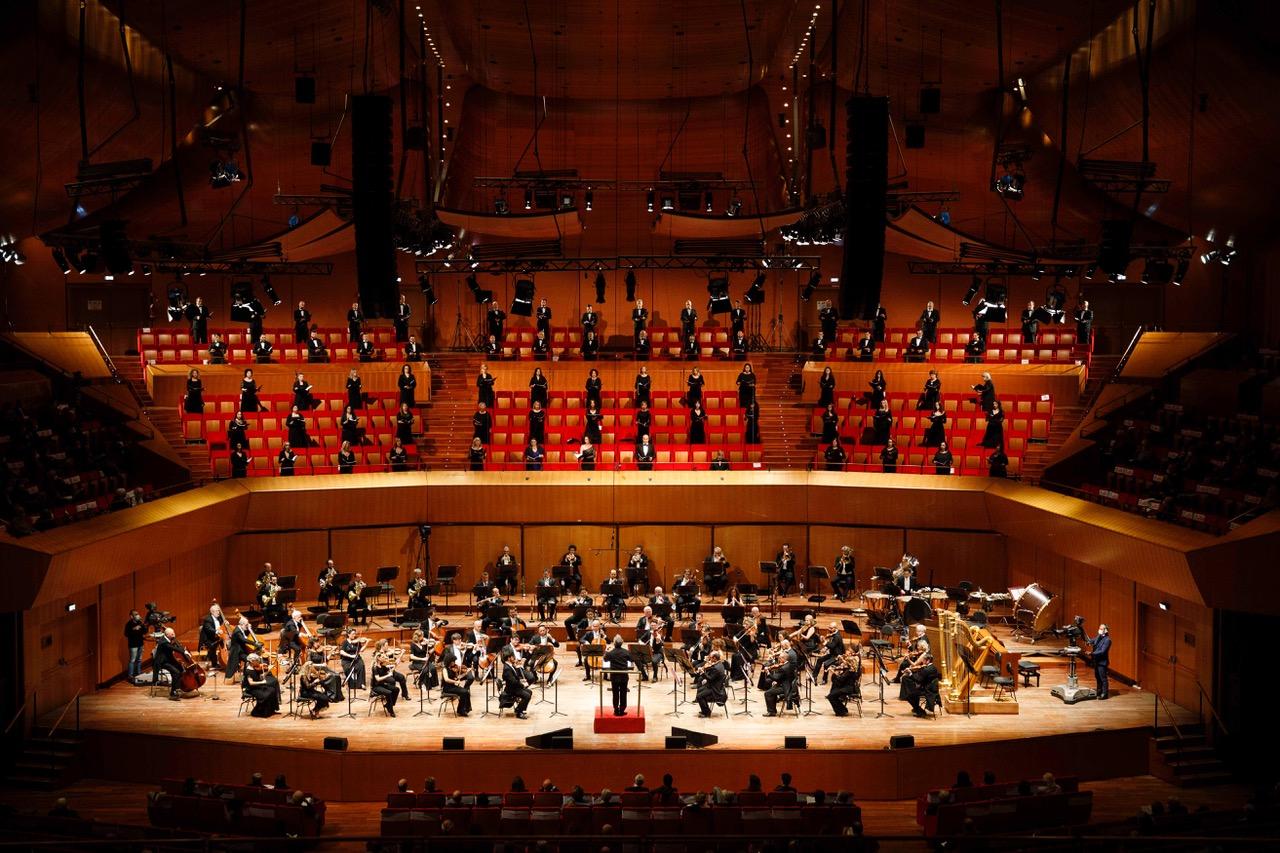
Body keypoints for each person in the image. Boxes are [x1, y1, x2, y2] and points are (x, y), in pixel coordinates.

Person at [604, 635, 633, 716]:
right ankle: (622, 709)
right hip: (624, 676)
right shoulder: (626, 652)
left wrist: (606, 651)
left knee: (615, 693)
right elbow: (632, 659)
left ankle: (616, 710)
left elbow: (605, 659)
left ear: (614, 643)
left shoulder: (611, 653)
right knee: (623, 693)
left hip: (614, 676)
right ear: (622, 643)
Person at [695, 650, 728, 717]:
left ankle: (706, 713)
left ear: (715, 658)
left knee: (699, 696)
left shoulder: (716, 668)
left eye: (711, 658)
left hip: (715, 690)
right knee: (699, 690)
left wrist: (702, 673)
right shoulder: (720, 664)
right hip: (716, 685)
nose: (709, 659)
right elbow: (712, 677)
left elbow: (710, 679)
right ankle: (705, 710)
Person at [499, 650, 532, 718]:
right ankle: (518, 712)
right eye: (512, 657)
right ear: (509, 658)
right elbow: (513, 682)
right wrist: (522, 684)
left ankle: (521, 709)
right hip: (511, 690)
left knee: (529, 692)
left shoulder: (510, 665)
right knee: (527, 696)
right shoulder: (507, 668)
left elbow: (514, 678)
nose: (514, 658)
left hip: (514, 687)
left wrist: (521, 680)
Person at [440, 650, 473, 716]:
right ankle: (461, 710)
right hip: (447, 688)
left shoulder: (451, 668)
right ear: (449, 661)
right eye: (453, 661)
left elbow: (457, 677)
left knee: (466, 692)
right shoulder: (444, 669)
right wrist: (455, 681)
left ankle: (462, 709)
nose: (454, 662)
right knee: (464, 692)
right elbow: (446, 679)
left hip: (452, 687)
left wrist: (466, 673)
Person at [371, 652, 400, 716]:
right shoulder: (375, 667)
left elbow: (390, 672)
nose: (385, 658)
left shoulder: (382, 666)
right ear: (378, 658)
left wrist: (396, 665)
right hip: (376, 687)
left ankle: (389, 705)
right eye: (383, 657)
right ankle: (391, 710)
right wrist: (387, 676)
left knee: (396, 689)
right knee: (389, 692)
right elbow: (378, 679)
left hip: (382, 685)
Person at [1087, 623, 1111, 699]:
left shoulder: (1107, 640)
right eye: (1099, 628)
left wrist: (1091, 653)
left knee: (1103, 678)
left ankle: (1105, 694)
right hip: (1096, 661)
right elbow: (1091, 641)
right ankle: (1099, 691)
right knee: (1097, 677)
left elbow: (1102, 651)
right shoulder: (1099, 637)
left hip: (1102, 663)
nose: (1099, 630)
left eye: (1101, 629)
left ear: (1106, 630)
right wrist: (1087, 641)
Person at [124, 609, 146, 681]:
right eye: (136, 614)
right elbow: (126, 634)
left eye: (138, 614)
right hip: (133, 645)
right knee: (132, 660)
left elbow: (145, 631)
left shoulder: (140, 622)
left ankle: (138, 673)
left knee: (139, 659)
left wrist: (143, 625)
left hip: (140, 643)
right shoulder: (128, 624)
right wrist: (134, 629)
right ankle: (130, 675)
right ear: (131, 616)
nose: (138, 615)